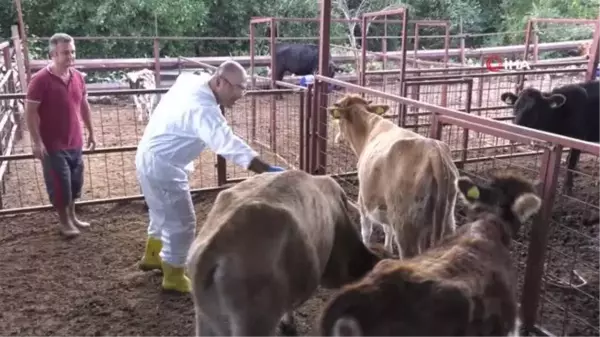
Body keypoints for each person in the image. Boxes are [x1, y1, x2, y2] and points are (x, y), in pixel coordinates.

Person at [135, 60, 285, 293]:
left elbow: (186, 77)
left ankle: (154, 255)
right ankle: (173, 274)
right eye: (238, 88)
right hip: (163, 165)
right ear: (219, 82)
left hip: (151, 156)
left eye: (243, 88)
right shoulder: (203, 108)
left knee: (160, 211)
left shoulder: (194, 82)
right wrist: (266, 170)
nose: (241, 94)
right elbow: (227, 143)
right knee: (182, 222)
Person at [24, 33, 96, 238]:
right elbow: (30, 112)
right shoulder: (39, 81)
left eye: (72, 51)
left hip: (75, 140)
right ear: (53, 54)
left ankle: (72, 217)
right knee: (60, 183)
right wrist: (37, 142)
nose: (71, 56)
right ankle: (64, 222)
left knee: (74, 182)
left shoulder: (78, 78)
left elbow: (84, 105)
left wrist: (90, 131)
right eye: (66, 52)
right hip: (52, 144)